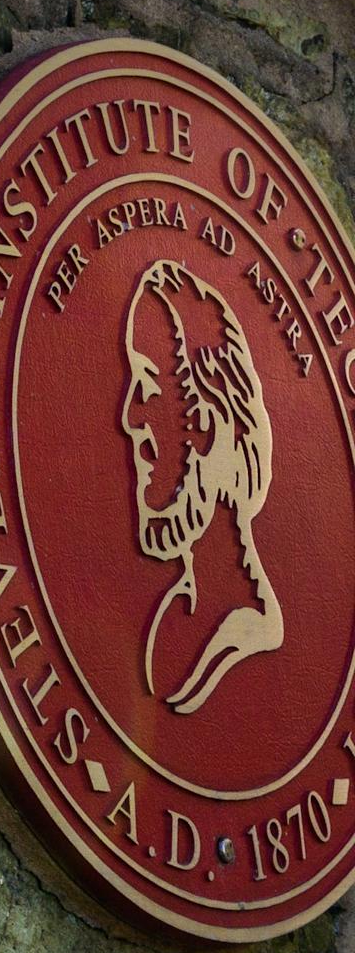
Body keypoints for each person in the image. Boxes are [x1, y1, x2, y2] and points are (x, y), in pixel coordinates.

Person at [120, 257, 283, 716]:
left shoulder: (244, 631)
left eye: (147, 386)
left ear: (211, 421)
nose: (131, 419)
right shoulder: (177, 619)